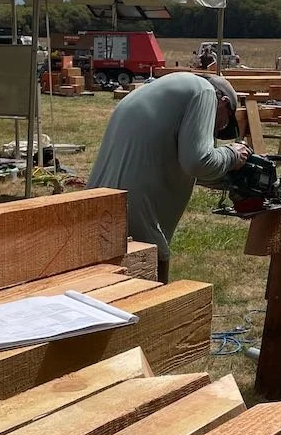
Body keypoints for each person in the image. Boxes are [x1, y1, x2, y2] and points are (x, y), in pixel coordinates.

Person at [87, 73, 249, 282]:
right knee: (151, 297)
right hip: (134, 219)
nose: (216, 130)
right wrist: (233, 154)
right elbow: (198, 163)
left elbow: (171, 163)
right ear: (223, 102)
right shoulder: (204, 91)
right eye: (221, 125)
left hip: (95, 204)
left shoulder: (151, 92)